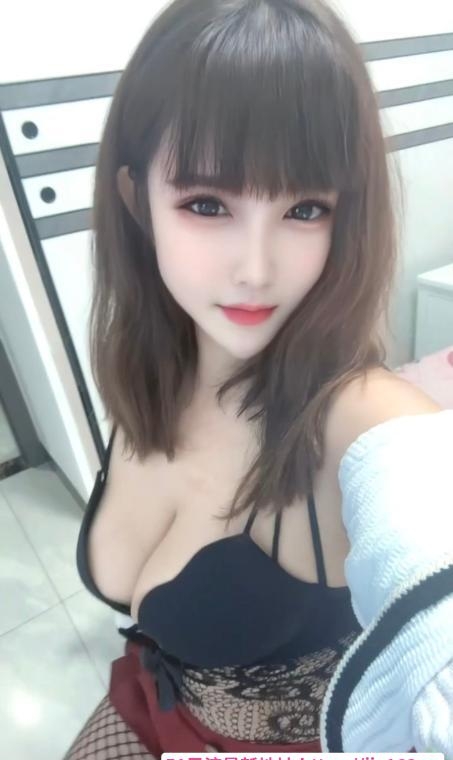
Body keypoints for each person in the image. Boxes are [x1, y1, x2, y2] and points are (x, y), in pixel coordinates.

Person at [63, 0, 453, 757]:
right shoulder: (150, 372)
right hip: (150, 697)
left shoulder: (361, 417)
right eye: (207, 204)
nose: (255, 268)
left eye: (305, 209)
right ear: (136, 201)